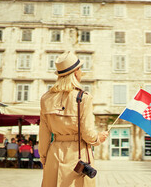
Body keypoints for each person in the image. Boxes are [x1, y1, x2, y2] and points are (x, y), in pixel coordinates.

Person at [39, 51, 108, 186]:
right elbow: (88, 134)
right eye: (80, 69)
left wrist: (44, 158)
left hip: (54, 154)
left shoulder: (46, 98)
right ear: (76, 72)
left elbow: (44, 134)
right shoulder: (83, 97)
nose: (81, 72)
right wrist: (98, 138)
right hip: (78, 155)